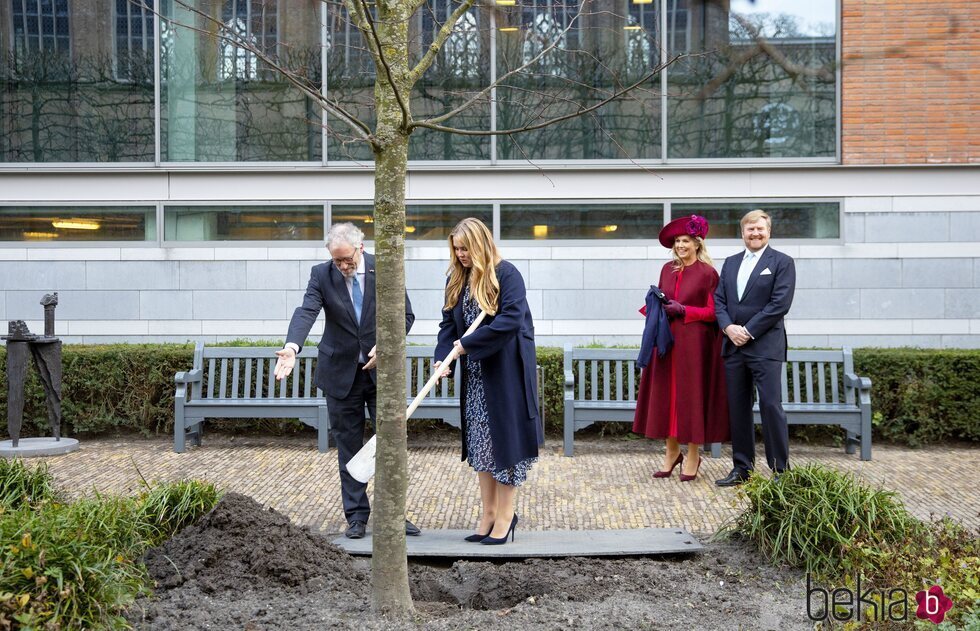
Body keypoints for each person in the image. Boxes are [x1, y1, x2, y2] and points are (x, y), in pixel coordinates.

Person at [274, 222, 421, 539]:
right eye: (336, 260)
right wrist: (291, 347)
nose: (342, 266)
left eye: (347, 260)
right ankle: (356, 516)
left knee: (390, 447)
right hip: (340, 375)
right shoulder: (321, 274)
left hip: (381, 374)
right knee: (349, 449)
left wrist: (386, 343)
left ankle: (394, 515)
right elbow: (307, 311)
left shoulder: (385, 268)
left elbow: (405, 315)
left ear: (361, 248)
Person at [434, 217, 542, 545]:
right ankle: (489, 514)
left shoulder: (507, 275)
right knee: (482, 445)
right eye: (456, 249)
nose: (461, 254)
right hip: (477, 376)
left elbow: (510, 320)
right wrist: (443, 357)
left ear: (481, 244)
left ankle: (507, 516)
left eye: (465, 248)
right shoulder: (458, 278)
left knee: (505, 445)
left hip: (506, 372)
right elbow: (448, 324)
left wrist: (468, 345)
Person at [632, 215, 729, 481]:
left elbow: (713, 312)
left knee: (690, 397)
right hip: (665, 342)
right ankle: (672, 453)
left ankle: (694, 455)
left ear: (697, 244)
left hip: (695, 344)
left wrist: (684, 309)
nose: (680, 245)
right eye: (677, 241)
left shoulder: (708, 273)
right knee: (667, 396)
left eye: (685, 240)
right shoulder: (667, 269)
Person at [714, 210, 796, 486]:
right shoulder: (730, 263)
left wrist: (747, 331)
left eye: (760, 229)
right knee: (738, 408)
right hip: (733, 347)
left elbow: (779, 304)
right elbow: (719, 301)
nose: (755, 233)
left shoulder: (782, 262)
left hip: (765, 347)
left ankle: (780, 472)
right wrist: (728, 328)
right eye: (750, 229)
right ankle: (742, 468)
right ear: (743, 232)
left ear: (769, 231)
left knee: (771, 407)